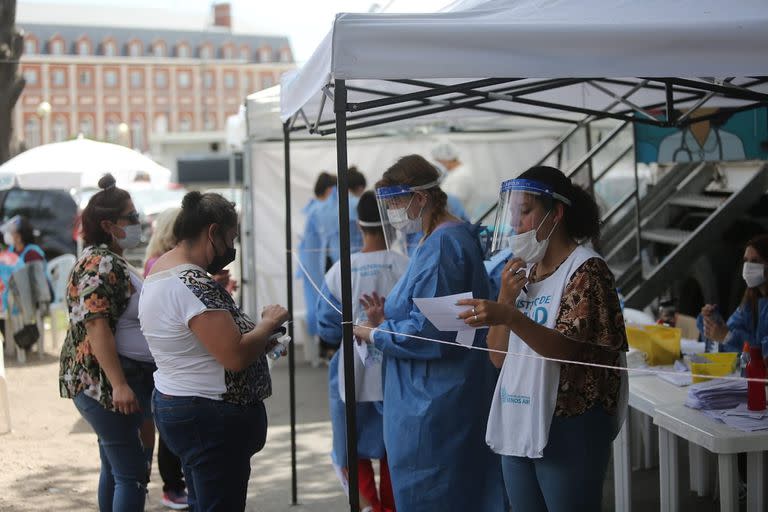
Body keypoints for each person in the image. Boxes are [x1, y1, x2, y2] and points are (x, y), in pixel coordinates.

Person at [457, 166, 629, 512]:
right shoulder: (525, 274)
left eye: (525, 212)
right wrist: (505, 300)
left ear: (557, 213)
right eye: (513, 214)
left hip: (570, 426)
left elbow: (565, 349)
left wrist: (510, 315)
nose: (516, 225)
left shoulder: (586, 270)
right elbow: (498, 358)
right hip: (521, 420)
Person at [353, 155, 505, 511]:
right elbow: (427, 310)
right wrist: (383, 318)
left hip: (435, 401)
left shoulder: (443, 246)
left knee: (435, 493)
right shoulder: (436, 239)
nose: (392, 212)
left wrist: (375, 334)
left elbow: (433, 334)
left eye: (395, 204)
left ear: (420, 198)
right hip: (431, 392)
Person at [140, 191, 289, 510]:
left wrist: (262, 340)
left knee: (204, 501)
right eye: (231, 238)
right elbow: (233, 355)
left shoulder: (163, 269)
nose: (232, 248)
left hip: (188, 405)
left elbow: (204, 341)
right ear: (212, 232)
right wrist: (268, 323)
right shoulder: (193, 284)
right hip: (209, 414)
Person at [58, 173, 155, 511]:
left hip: (108, 384)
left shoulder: (107, 260)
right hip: (104, 386)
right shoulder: (100, 263)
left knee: (117, 471)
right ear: (108, 224)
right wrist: (119, 385)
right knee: (131, 475)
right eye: (131, 217)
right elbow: (96, 325)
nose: (137, 222)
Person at [317, 191, 407, 512]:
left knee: (350, 448)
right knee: (394, 450)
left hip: (350, 372)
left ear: (358, 225)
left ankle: (370, 507)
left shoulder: (341, 270)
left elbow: (326, 326)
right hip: (396, 371)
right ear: (394, 225)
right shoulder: (406, 266)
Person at [142, 206, 189, 510]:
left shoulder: (161, 262)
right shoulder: (158, 265)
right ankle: (172, 486)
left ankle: (175, 484)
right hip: (164, 359)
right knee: (169, 429)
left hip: (166, 358)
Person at [698, 234, 768, 357]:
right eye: (746, 260)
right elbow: (728, 331)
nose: (748, 267)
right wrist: (711, 322)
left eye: (755, 261)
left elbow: (763, 353)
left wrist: (728, 337)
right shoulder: (751, 299)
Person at [298, 172, 338, 363]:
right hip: (318, 264)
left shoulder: (313, 209)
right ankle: (327, 347)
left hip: (316, 263)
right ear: (330, 190)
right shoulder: (321, 209)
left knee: (322, 304)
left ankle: (326, 347)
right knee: (324, 305)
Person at [432, 142, 496, 222]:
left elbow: (453, 205)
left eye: (438, 161)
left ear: (445, 160)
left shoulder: (460, 176)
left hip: (461, 221)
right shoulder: (456, 173)